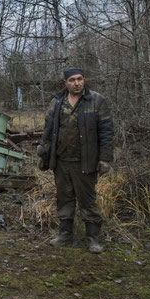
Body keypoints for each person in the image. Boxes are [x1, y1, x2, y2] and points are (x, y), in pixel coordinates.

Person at [38, 68, 114, 253]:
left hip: (85, 160)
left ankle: (92, 239)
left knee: (87, 200)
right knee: (64, 198)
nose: (77, 83)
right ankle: (65, 235)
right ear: (66, 83)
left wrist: (104, 159)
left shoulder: (96, 100)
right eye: (72, 80)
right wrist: (43, 150)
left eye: (80, 79)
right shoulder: (57, 102)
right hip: (61, 160)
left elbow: (106, 132)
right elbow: (48, 128)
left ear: (84, 80)